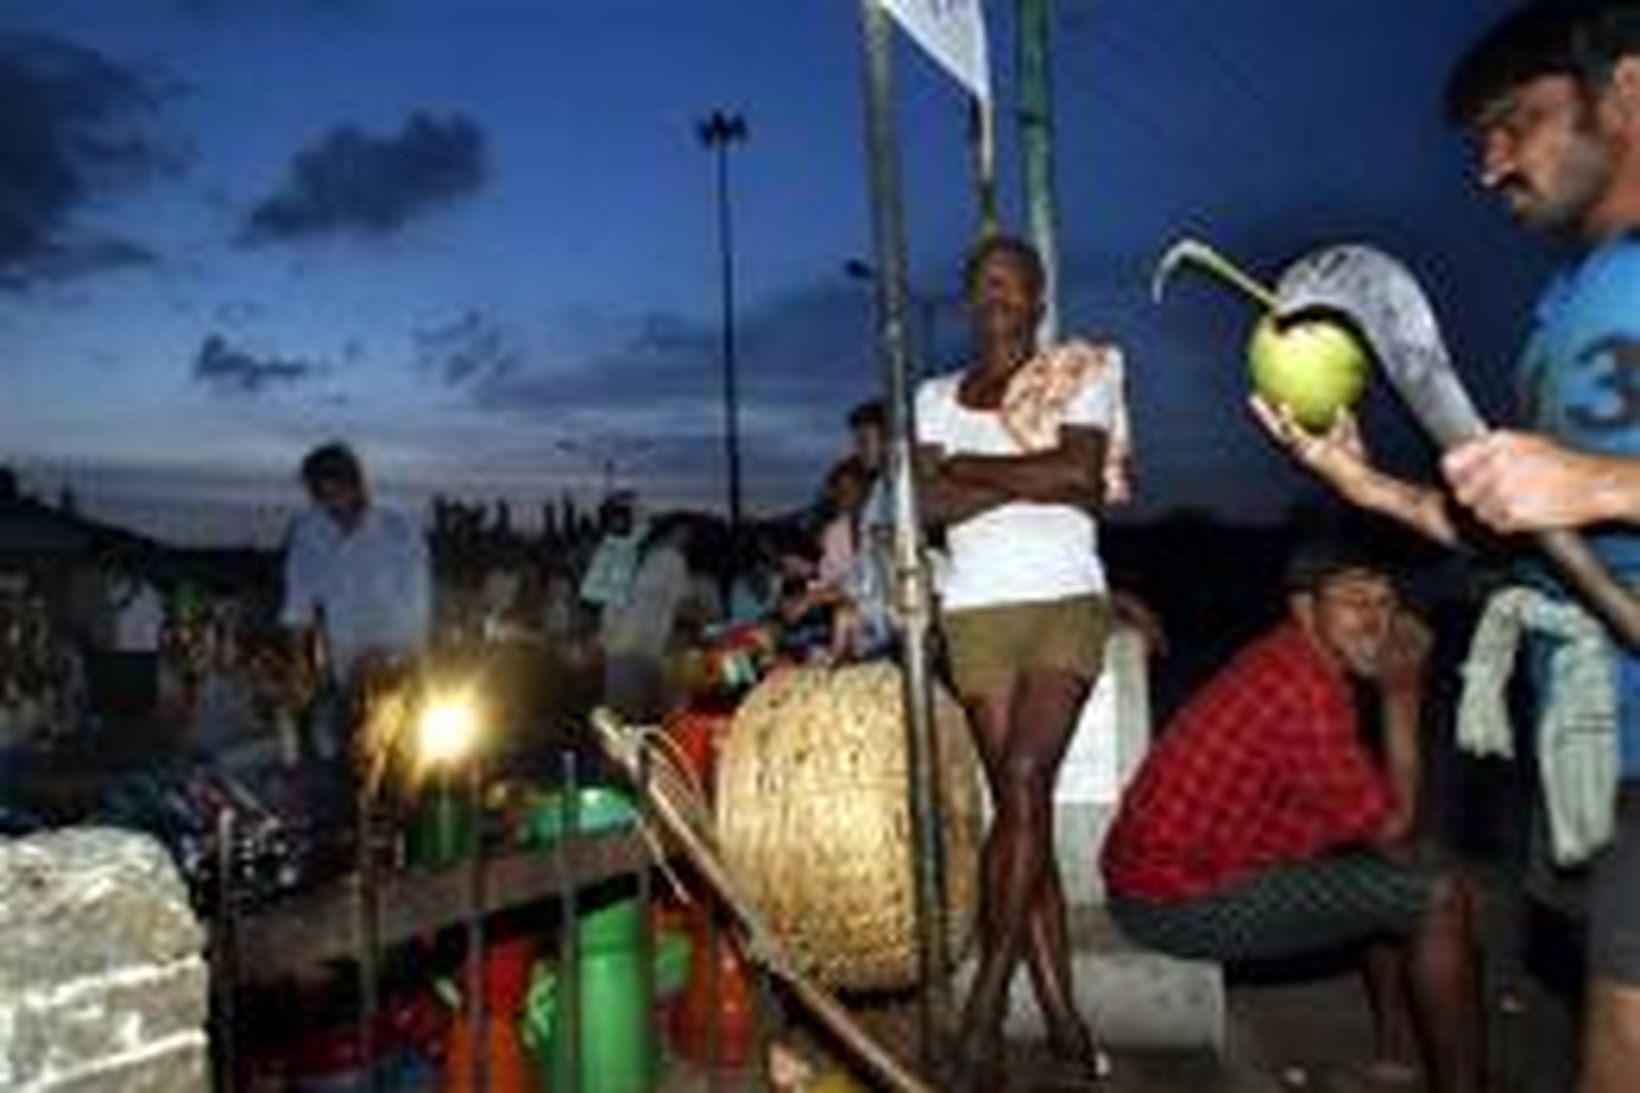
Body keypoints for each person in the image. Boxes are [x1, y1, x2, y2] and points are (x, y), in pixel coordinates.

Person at [1251, 6, 1640, 1089]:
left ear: (1627, 93)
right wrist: (1360, 481)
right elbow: (1518, 531)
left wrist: (1598, 481)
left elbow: (1574, 496)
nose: (1489, 166)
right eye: (1477, 142)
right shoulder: (1560, 307)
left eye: (1513, 122)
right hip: (1601, 737)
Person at [1102, 542, 1480, 1092]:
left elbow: (1370, 821)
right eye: (1354, 600)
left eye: (1386, 601)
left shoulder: (1290, 655)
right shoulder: (1303, 688)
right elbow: (1396, 827)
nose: (1377, 620)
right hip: (1176, 903)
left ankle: (1397, 1059)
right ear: (1305, 609)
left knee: (1385, 871)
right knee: (1437, 896)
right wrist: (1404, 695)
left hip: (1162, 876)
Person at [915, 233, 1117, 1085]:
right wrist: (1029, 470)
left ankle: (984, 1011)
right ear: (968, 299)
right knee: (1019, 811)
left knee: (1026, 778)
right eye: (982, 284)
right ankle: (1067, 1022)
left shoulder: (1081, 371)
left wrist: (975, 469)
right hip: (976, 612)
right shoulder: (931, 396)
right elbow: (928, 499)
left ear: (1038, 298)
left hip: (1065, 601)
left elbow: (1081, 475)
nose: (997, 295)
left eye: (1013, 284)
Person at [280, 442, 431, 757]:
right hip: (346, 673)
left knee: (408, 760)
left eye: (336, 494)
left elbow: (418, 606)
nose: (331, 506)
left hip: (400, 668)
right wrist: (297, 664)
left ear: (358, 485)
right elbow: (298, 603)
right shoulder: (308, 531)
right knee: (351, 758)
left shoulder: (399, 528)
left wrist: (386, 655)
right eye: (321, 497)